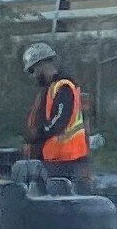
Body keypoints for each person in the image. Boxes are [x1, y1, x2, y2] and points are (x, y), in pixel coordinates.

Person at [22, 42, 91, 186]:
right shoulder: (51, 89)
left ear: (42, 65)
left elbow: (58, 121)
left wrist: (37, 135)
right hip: (56, 159)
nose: (33, 75)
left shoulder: (63, 87)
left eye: (33, 70)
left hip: (67, 161)